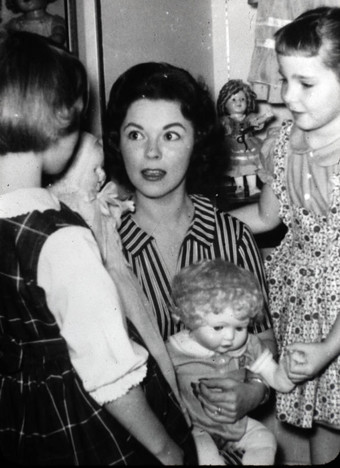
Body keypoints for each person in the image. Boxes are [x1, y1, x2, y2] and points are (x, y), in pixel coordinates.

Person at [0, 31, 197, 465]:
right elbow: (111, 373)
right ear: (55, 124)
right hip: (85, 424)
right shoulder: (62, 239)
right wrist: (165, 448)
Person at [103, 61, 277, 463]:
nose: (151, 152)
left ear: (197, 140)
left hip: (230, 443)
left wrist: (253, 391)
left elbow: (264, 341)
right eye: (135, 135)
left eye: (170, 135)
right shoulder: (102, 245)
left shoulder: (231, 237)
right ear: (118, 142)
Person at [229, 6, 340, 465]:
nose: (289, 97)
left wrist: (325, 351)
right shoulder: (286, 143)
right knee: (305, 422)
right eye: (285, 79)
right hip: (296, 300)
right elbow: (265, 215)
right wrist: (205, 216)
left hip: (336, 317)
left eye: (306, 83)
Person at [167, 259, 295, 465]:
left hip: (236, 425)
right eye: (218, 328)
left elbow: (279, 381)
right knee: (207, 457)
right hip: (195, 429)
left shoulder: (250, 345)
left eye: (239, 328)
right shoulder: (173, 350)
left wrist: (289, 370)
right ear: (190, 318)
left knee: (265, 440)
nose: (229, 337)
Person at [217, 79, 273, 196]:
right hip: (233, 145)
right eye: (233, 99)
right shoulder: (226, 120)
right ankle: (240, 186)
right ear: (224, 103)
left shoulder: (249, 117)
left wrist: (265, 117)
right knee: (237, 168)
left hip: (249, 144)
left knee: (251, 167)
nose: (238, 102)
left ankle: (253, 187)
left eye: (242, 99)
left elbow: (256, 122)